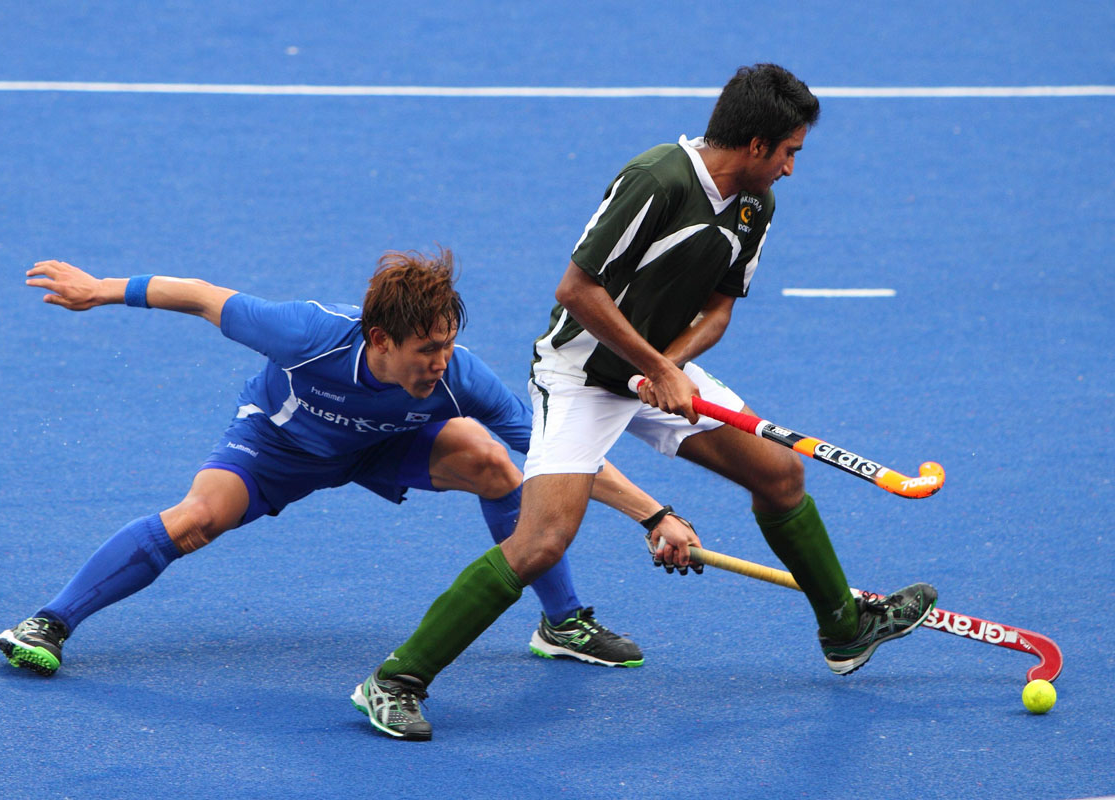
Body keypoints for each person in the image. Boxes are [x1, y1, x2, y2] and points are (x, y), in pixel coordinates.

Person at [354, 63, 938, 741]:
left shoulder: (755, 207)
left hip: (657, 370)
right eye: (788, 152)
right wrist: (656, 366)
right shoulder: (657, 179)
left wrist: (673, 371)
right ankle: (393, 682)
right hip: (580, 374)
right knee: (542, 540)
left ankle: (843, 628)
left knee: (781, 474)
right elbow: (576, 291)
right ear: (755, 146)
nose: (789, 169)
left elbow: (718, 312)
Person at [0, 251, 703, 679]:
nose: (440, 363)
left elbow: (562, 457)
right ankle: (50, 623)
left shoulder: (460, 380)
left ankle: (561, 623)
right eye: (426, 349)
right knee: (196, 520)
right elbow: (201, 297)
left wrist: (656, 515)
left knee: (498, 464)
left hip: (386, 446)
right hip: (283, 445)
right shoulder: (304, 335)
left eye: (448, 345)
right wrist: (100, 289)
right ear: (378, 339)